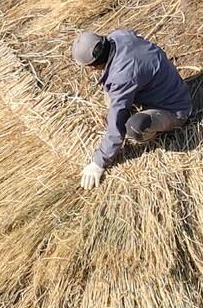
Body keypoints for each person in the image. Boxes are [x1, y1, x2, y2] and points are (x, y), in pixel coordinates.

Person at [72, 30, 192, 190]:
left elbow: (116, 128)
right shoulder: (119, 36)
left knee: (135, 127)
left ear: (93, 67)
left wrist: (99, 162)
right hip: (164, 86)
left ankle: (158, 130)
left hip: (175, 109)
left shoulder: (122, 77)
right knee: (113, 96)